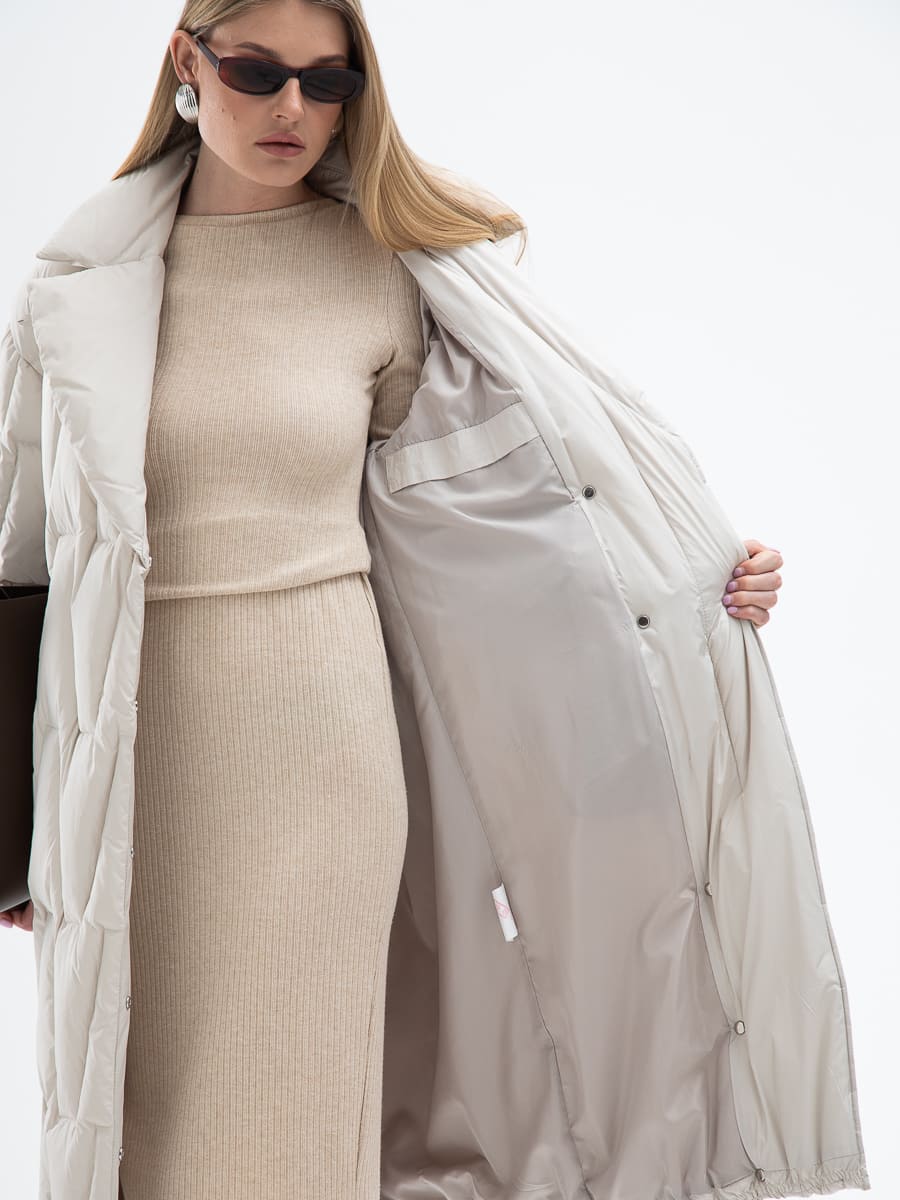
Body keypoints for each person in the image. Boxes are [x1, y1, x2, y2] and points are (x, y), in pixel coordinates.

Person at [0, 1, 786, 1197]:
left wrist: (692, 573)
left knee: (303, 1111)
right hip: (132, 754)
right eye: (258, 72)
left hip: (325, 759)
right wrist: (16, 814)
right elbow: (22, 557)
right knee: (135, 1128)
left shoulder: (385, 277)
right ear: (187, 63)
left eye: (329, 84)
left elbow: (522, 512)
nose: (292, 109)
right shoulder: (79, 291)